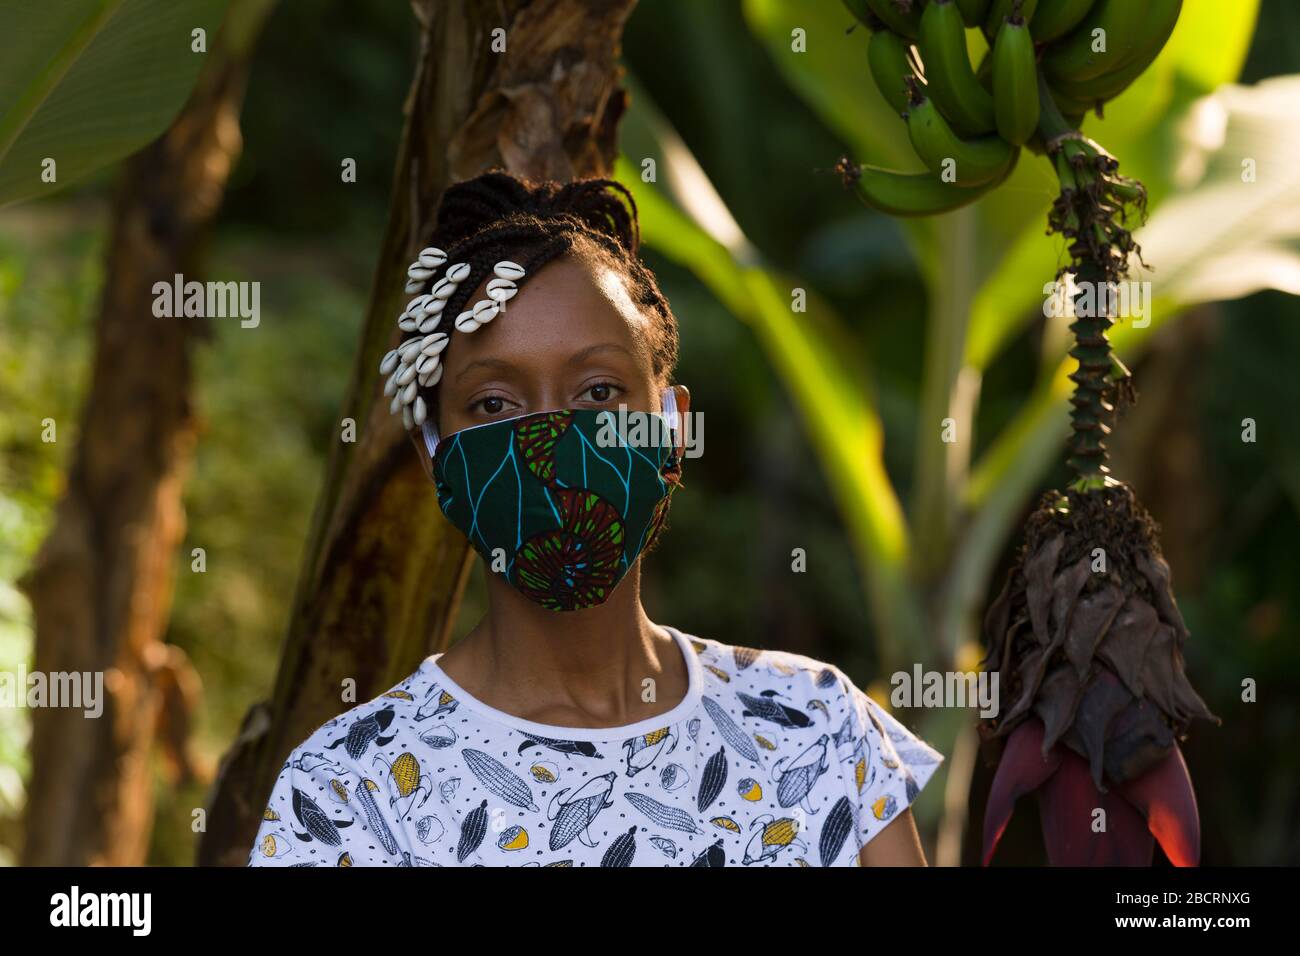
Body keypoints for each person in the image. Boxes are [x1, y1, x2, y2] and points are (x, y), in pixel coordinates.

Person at [247, 171, 943, 867]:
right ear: (434, 456)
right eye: (494, 404)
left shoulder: (815, 730)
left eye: (598, 391)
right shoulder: (349, 794)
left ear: (672, 426)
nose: (552, 436)